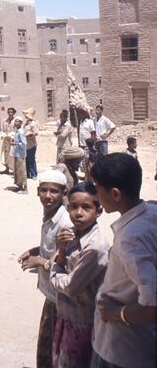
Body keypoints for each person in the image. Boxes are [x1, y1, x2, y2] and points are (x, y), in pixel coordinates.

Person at [90, 153, 157, 368]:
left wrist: (116, 314)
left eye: (98, 188)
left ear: (116, 194)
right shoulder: (151, 212)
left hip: (122, 349)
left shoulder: (132, 238)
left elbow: (152, 306)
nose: (96, 194)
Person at [50, 182, 109, 368]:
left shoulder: (95, 247)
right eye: (74, 207)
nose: (79, 213)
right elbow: (58, 258)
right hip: (66, 315)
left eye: (86, 207)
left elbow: (70, 286)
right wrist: (60, 248)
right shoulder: (72, 233)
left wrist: (52, 272)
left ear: (98, 211)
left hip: (83, 321)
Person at [18, 170, 71, 368]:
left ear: (64, 193)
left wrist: (39, 261)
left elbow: (62, 262)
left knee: (56, 351)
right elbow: (52, 248)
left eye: (54, 192)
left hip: (62, 299)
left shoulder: (64, 222)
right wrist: (35, 251)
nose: (48, 196)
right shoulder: (50, 215)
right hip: (51, 295)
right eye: (44, 190)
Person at [12, 116, 27, 193]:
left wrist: (15, 143)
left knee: (22, 171)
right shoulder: (17, 131)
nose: (15, 123)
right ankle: (19, 186)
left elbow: (24, 143)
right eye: (15, 121)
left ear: (21, 123)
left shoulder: (21, 132)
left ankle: (25, 188)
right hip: (17, 153)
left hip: (21, 154)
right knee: (18, 170)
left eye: (17, 121)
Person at [23, 107, 39, 180]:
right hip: (26, 144)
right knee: (26, 160)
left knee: (31, 159)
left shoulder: (33, 123)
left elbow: (36, 133)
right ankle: (28, 173)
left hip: (31, 144)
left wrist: (29, 136)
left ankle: (34, 174)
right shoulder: (26, 123)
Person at [1, 107, 17, 174]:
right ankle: (7, 168)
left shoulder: (16, 121)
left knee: (12, 155)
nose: (10, 113)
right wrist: (4, 135)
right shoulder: (5, 121)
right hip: (6, 140)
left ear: (13, 113)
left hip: (13, 140)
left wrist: (11, 136)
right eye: (9, 112)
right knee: (6, 154)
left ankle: (14, 169)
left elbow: (16, 131)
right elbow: (3, 130)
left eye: (11, 112)